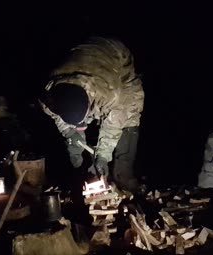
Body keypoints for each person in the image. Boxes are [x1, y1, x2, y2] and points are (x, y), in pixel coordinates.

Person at [39, 37, 144, 192]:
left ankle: (124, 175)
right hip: (84, 58)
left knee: (129, 114)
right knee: (81, 126)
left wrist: (103, 155)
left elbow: (114, 123)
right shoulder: (48, 99)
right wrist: (71, 133)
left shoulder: (110, 93)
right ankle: (91, 173)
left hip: (117, 58)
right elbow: (58, 117)